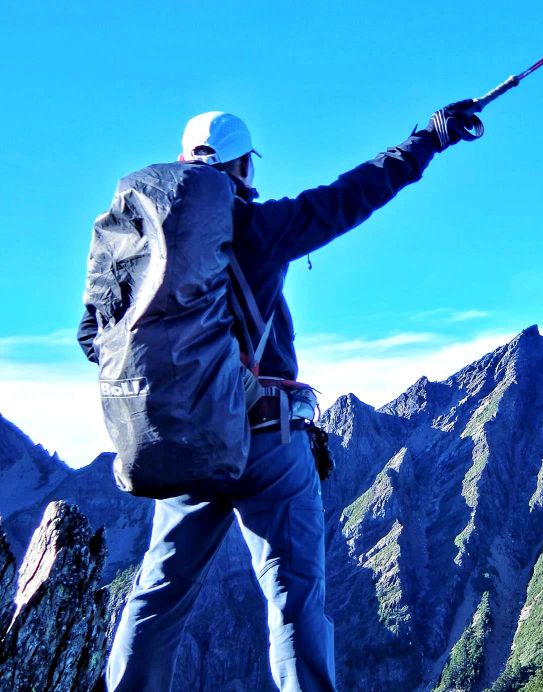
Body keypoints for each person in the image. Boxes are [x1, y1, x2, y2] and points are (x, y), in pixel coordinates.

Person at [79, 102, 482, 691]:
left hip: (185, 444)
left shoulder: (136, 251)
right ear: (243, 166)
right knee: (294, 601)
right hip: (267, 441)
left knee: (157, 598)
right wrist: (429, 139)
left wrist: (187, 377)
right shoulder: (261, 229)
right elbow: (353, 193)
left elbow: (93, 339)